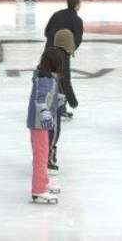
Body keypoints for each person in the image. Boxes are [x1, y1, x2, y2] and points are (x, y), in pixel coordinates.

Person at [27, 41, 64, 205]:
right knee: (41, 157)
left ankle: (44, 182)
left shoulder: (45, 75)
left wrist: (58, 100)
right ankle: (38, 190)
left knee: (43, 154)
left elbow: (47, 96)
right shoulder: (45, 79)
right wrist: (46, 115)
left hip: (41, 124)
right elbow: (40, 100)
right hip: (39, 124)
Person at [46, 28, 78, 171]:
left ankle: (42, 156)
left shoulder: (49, 52)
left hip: (42, 96)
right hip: (55, 99)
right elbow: (65, 81)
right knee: (54, 128)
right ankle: (49, 158)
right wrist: (72, 101)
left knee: (44, 128)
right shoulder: (63, 57)